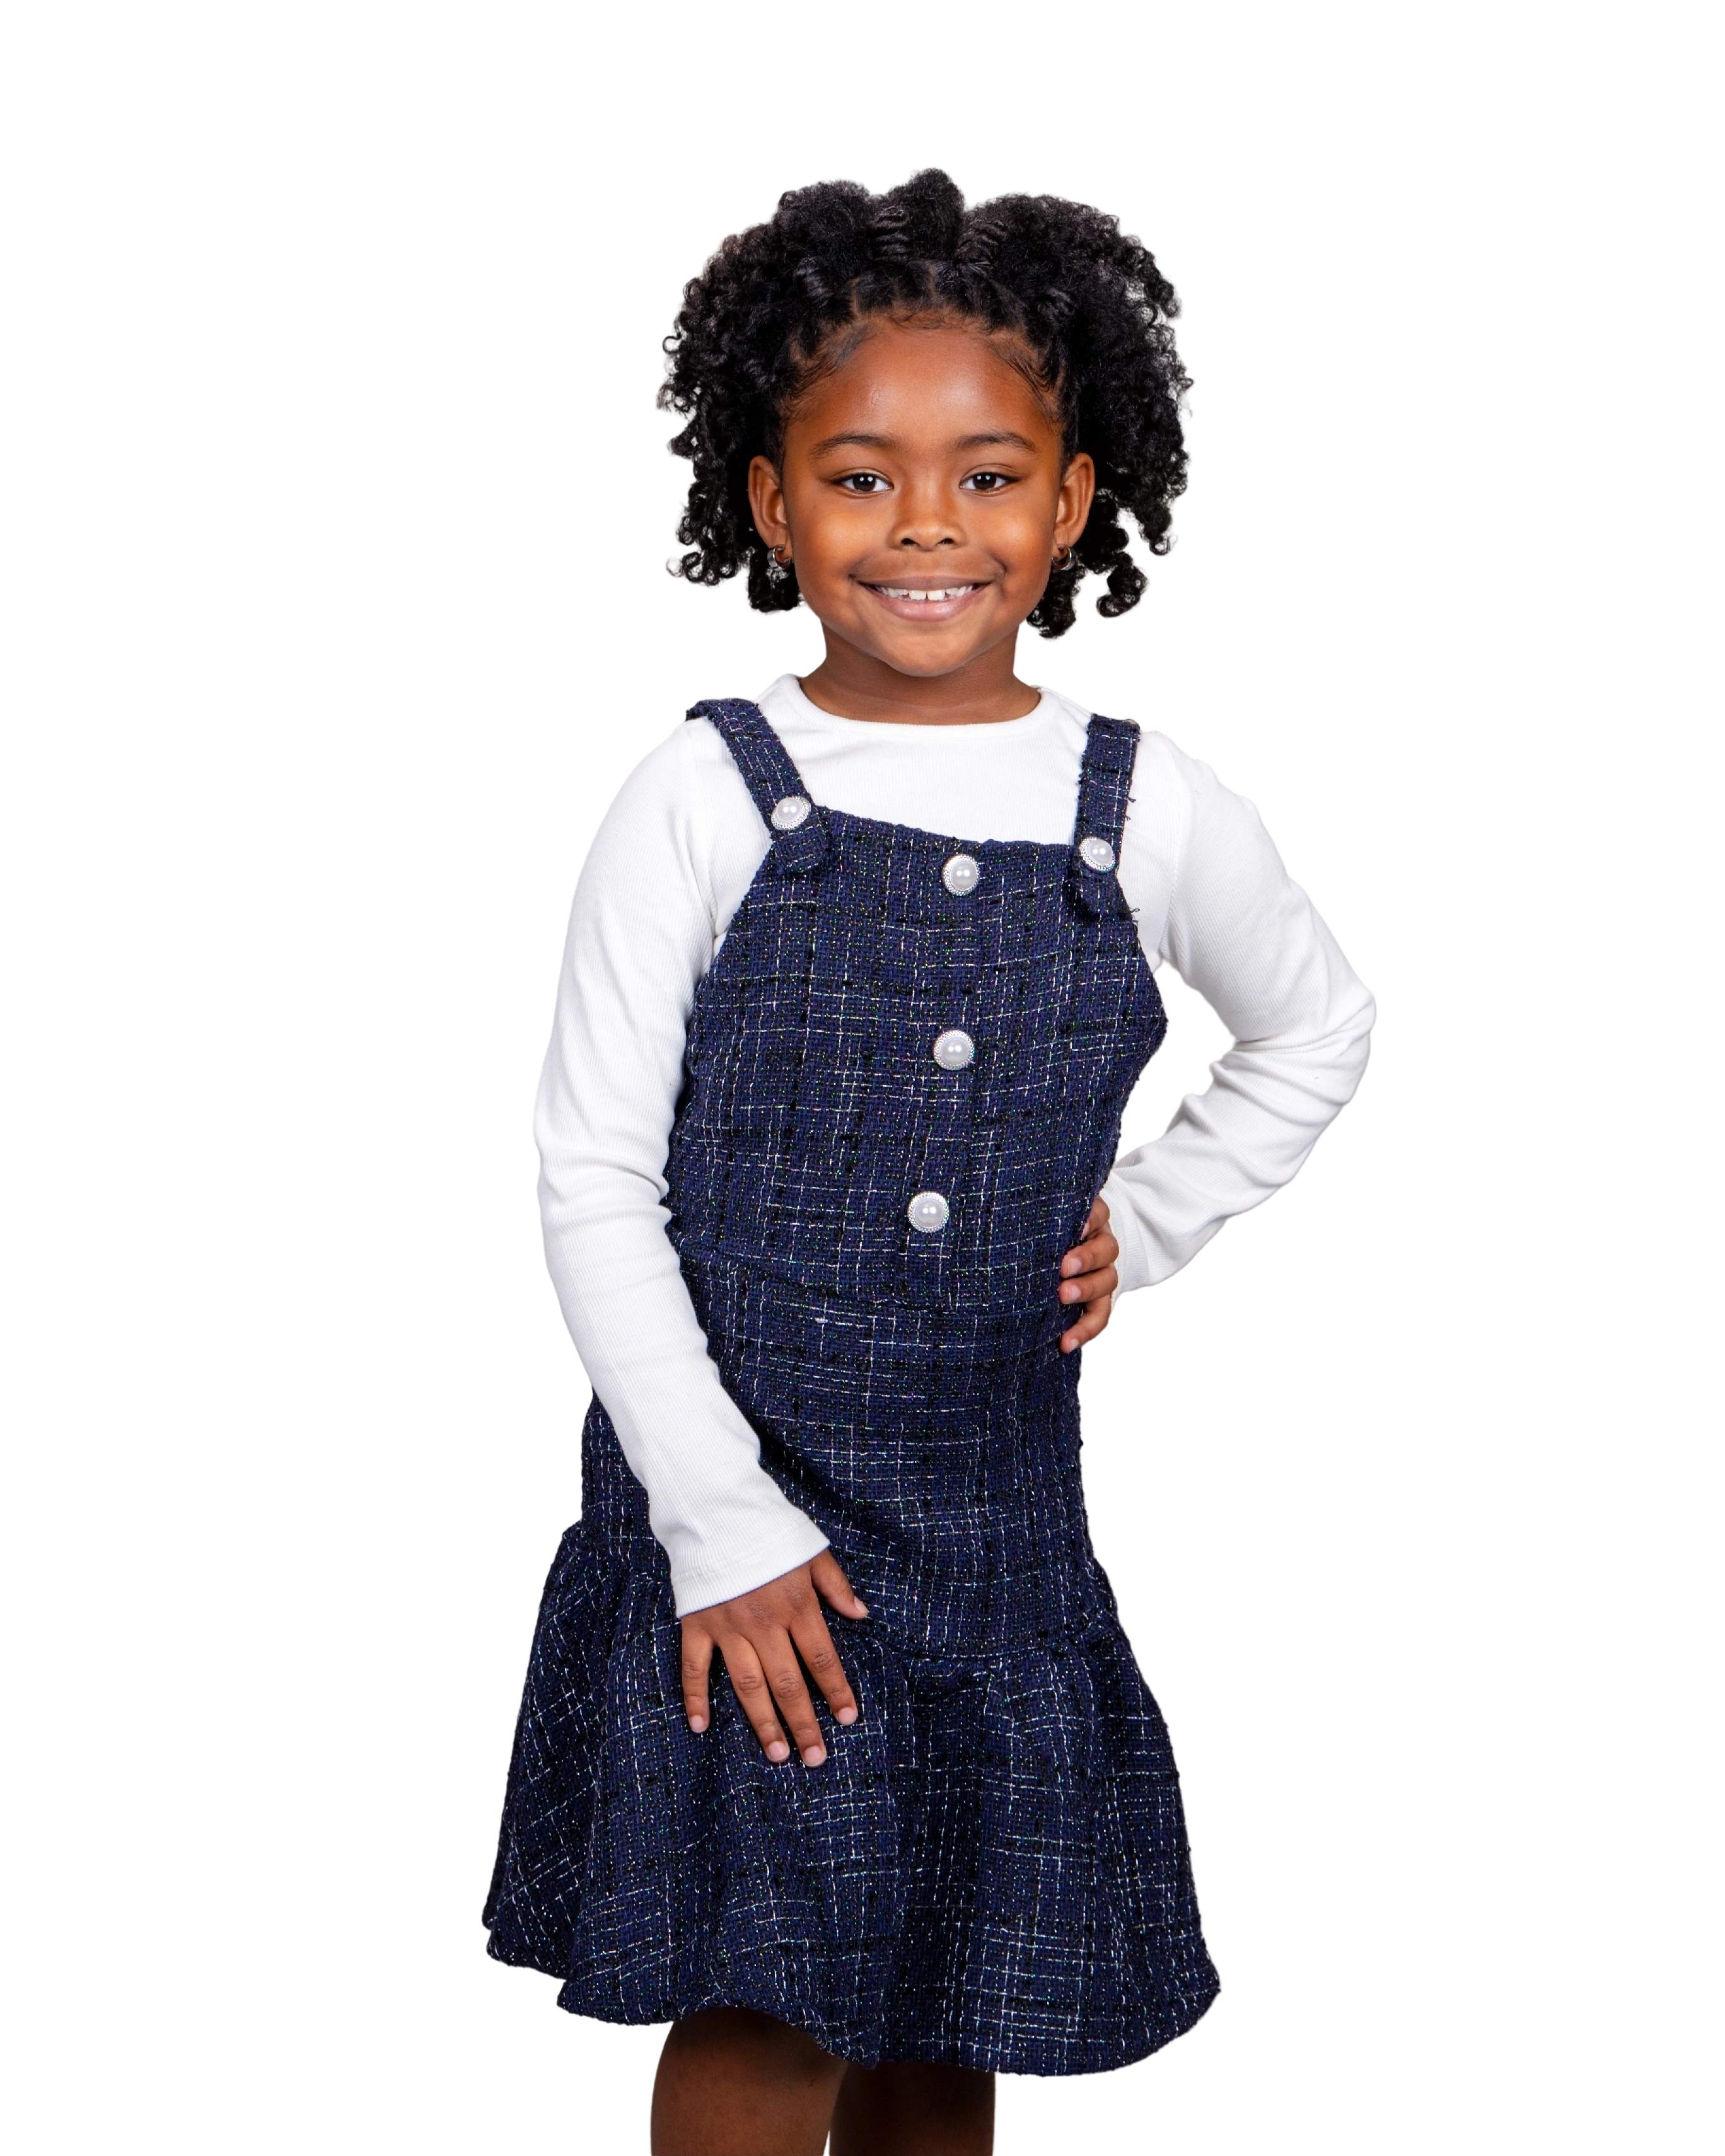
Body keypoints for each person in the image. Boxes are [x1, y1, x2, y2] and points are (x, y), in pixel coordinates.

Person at [484, 168, 1375, 2156]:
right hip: (740, 1515)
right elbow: (588, 1172)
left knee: (940, 1999)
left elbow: (1318, 1024)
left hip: (994, 1532)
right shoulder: (704, 794)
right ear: (770, 501)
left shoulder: (1152, 806)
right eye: (861, 476)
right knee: (763, 1998)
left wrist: (1151, 1213)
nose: (925, 527)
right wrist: (719, 1519)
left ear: (1072, 500)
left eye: (987, 476)